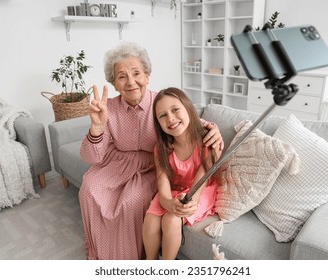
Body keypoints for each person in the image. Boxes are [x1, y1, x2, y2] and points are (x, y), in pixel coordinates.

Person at [78, 41, 224, 260]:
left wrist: (215, 130)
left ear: (147, 76)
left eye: (136, 73)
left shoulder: (162, 102)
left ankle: (131, 259)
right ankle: (104, 253)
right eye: (122, 76)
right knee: (89, 187)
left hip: (152, 165)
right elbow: (92, 157)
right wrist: (97, 127)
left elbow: (190, 122)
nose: (131, 82)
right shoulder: (109, 108)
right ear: (114, 83)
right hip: (117, 164)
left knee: (132, 200)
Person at [142, 87, 222, 260]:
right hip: (174, 191)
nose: (170, 118)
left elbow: (199, 185)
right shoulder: (161, 148)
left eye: (175, 110)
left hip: (199, 191)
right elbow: (162, 186)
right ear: (158, 123)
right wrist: (167, 202)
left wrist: (186, 203)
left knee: (171, 220)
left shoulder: (206, 141)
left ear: (188, 108)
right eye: (162, 115)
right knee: (150, 219)